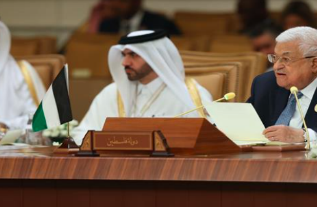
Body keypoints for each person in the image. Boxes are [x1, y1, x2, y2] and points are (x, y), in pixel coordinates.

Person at [72, 30, 213, 142]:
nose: (125, 62)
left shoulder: (190, 95)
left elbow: (210, 139)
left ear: (157, 57)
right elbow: (82, 134)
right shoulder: (112, 93)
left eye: (133, 55)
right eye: (124, 55)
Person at [97, 0, 181, 36]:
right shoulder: (107, 25)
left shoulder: (161, 24)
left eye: (123, 0)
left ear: (137, 1)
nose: (116, 4)